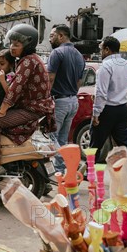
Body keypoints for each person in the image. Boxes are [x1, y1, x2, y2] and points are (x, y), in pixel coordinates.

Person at [0, 24, 56, 185]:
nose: (12, 48)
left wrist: (2, 110)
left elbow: (15, 89)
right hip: (35, 108)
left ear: (27, 44)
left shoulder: (28, 61)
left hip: (31, 109)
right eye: (11, 44)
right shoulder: (29, 60)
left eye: (17, 44)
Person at [90, 36, 127, 186]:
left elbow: (101, 93)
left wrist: (96, 114)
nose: (100, 52)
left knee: (95, 144)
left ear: (107, 49)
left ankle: (90, 174)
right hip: (121, 109)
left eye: (101, 49)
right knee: (125, 144)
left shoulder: (105, 67)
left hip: (107, 110)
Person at [47, 24, 85, 172]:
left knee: (50, 137)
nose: (50, 39)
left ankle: (73, 164)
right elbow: (79, 82)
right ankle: (61, 171)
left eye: (52, 36)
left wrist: (45, 99)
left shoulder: (57, 53)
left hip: (60, 101)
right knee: (62, 138)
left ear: (61, 36)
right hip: (73, 101)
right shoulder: (78, 55)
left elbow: (50, 78)